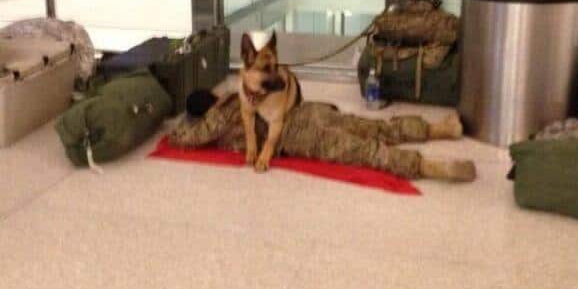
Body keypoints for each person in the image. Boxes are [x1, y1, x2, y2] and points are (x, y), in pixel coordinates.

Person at [169, 90, 477, 182]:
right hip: (310, 112)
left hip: (299, 137)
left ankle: (428, 167)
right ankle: (441, 129)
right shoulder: (243, 93)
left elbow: (185, 138)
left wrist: (180, 126)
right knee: (373, 127)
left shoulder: (218, 117)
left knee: (365, 152)